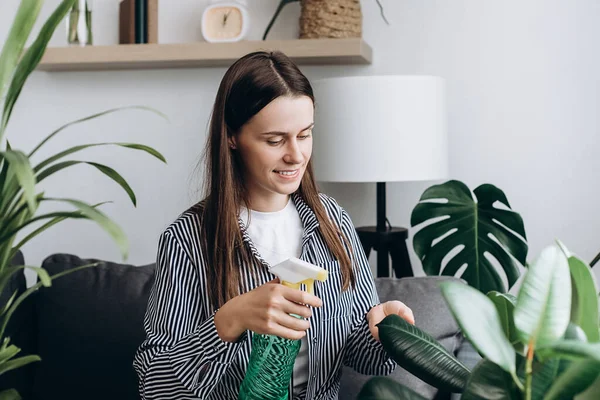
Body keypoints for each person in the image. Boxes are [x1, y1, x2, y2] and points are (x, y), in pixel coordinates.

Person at [133, 50, 415, 400]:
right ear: (233, 137)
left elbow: (360, 352)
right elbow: (155, 386)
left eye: (305, 134)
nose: (295, 155)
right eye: (275, 140)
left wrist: (384, 330)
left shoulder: (332, 222)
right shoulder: (188, 239)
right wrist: (227, 322)